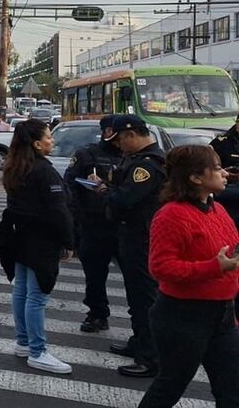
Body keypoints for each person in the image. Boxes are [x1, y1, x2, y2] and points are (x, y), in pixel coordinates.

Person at [137, 145, 239, 407]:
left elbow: (230, 254)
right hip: (183, 316)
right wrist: (214, 268)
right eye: (217, 169)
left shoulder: (218, 209)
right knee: (171, 384)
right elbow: (160, 267)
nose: (224, 174)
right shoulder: (171, 215)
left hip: (222, 315)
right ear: (195, 178)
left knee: (232, 389)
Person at [0, 119, 76, 375]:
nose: (52, 141)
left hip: (19, 235)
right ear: (37, 143)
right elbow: (58, 210)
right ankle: (38, 351)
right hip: (41, 240)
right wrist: (69, 241)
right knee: (38, 295)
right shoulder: (44, 171)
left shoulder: (15, 166)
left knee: (22, 289)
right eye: (49, 137)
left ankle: (23, 342)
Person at [92, 114, 166, 378]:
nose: (119, 145)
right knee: (135, 295)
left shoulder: (147, 165)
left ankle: (150, 356)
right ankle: (139, 341)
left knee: (145, 297)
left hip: (141, 237)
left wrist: (103, 191)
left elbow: (125, 198)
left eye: (121, 139)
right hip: (132, 235)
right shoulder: (137, 161)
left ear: (133, 135)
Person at [63, 115, 124, 333]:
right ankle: (97, 313)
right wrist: (78, 220)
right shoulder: (87, 154)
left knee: (137, 279)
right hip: (94, 224)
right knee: (95, 275)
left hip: (124, 226)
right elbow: (70, 187)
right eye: (110, 131)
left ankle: (141, 326)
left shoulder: (133, 156)